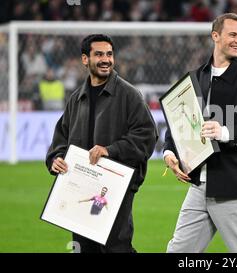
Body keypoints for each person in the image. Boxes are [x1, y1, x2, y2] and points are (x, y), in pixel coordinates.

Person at [164, 13, 237, 253]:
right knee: (178, 253)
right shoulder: (197, 76)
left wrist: (224, 131)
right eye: (233, 34)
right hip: (199, 185)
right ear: (215, 36)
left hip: (233, 187)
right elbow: (180, 120)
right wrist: (169, 151)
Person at [45, 34, 158, 253]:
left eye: (109, 54)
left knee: (115, 247)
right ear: (85, 59)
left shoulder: (130, 95)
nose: (105, 59)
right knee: (84, 248)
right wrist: (55, 159)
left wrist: (110, 150)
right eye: (99, 54)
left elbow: (147, 136)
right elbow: (61, 138)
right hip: (80, 187)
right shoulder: (76, 98)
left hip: (114, 187)